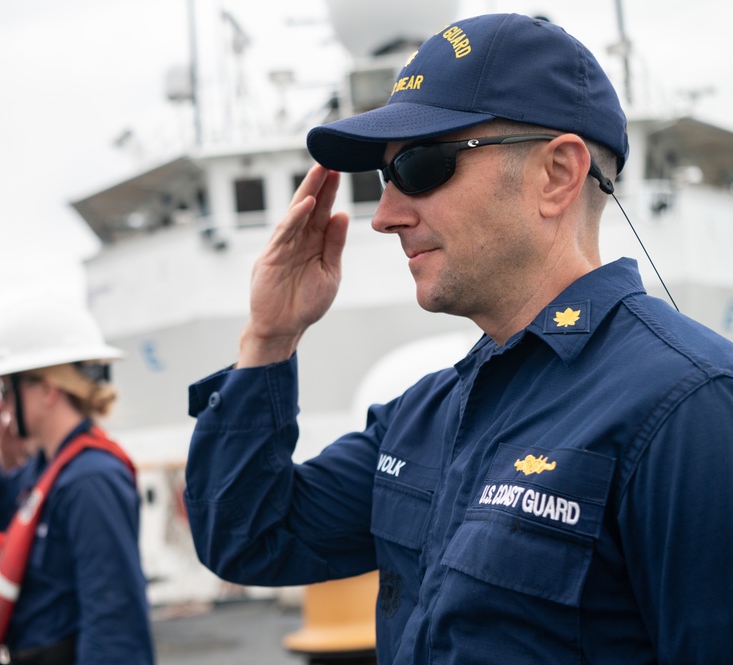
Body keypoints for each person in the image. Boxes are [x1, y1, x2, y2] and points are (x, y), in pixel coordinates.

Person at [183, 13, 733, 664]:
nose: (385, 216)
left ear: (556, 174)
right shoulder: (422, 416)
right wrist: (268, 337)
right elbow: (248, 537)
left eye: (419, 166)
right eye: (383, 180)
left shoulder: (689, 409)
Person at [0, 306, 155, 665]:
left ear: (46, 391)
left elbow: (113, 622)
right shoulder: (49, 470)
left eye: (7, 389)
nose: (3, 405)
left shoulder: (91, 480)